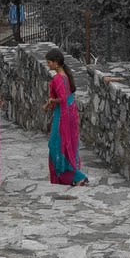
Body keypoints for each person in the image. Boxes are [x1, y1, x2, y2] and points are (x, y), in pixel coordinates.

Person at [43, 48, 88, 187]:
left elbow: (62, 98)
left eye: (49, 62)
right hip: (70, 113)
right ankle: (71, 176)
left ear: (56, 63)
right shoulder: (66, 76)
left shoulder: (58, 78)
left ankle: (77, 176)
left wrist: (51, 101)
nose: (48, 65)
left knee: (56, 145)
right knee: (64, 145)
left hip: (63, 116)